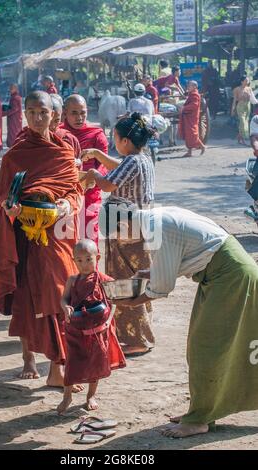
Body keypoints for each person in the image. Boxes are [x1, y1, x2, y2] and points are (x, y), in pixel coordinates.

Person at [113, 204, 258, 438]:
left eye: (116, 235)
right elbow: (182, 258)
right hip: (223, 273)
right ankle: (200, 411)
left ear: (122, 224)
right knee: (200, 345)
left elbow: (162, 287)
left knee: (207, 347)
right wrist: (149, 273)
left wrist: (131, 302)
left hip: (230, 276)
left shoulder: (153, 227)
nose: (120, 241)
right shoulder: (155, 217)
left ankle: (198, 420)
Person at [0, 90, 83, 389]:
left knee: (58, 294)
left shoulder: (64, 152)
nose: (37, 117)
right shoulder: (15, 155)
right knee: (26, 295)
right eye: (31, 112)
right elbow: (3, 196)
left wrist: (67, 205)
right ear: (24, 115)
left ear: (54, 115)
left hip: (57, 234)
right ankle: (29, 358)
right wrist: (11, 211)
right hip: (24, 236)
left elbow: (74, 190)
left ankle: (57, 367)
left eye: (43, 112)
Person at [81, 112, 156, 356]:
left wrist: (92, 175)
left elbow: (107, 184)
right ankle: (140, 334)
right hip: (140, 229)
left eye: (115, 139)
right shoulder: (142, 159)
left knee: (125, 282)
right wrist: (97, 155)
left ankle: (137, 338)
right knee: (139, 280)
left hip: (127, 231)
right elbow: (119, 168)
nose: (114, 143)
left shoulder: (132, 162)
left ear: (125, 141)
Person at [58, 239, 126, 414]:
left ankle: (91, 396)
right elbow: (64, 298)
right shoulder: (72, 280)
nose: (84, 264)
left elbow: (118, 296)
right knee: (72, 364)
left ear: (98, 258)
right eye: (79, 260)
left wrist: (109, 317)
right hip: (75, 330)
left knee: (95, 364)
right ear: (74, 261)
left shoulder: (103, 280)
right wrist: (65, 306)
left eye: (88, 259)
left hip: (98, 332)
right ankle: (67, 397)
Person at [60, 94, 108, 245]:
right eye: (74, 113)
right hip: (64, 191)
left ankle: (91, 268)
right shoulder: (57, 133)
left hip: (89, 192)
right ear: (64, 113)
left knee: (89, 235)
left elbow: (103, 164)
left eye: (83, 113)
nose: (79, 117)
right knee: (65, 236)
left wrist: (94, 177)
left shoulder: (96, 134)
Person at [178, 80, 206, 157]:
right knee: (188, 134)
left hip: (192, 116)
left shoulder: (195, 95)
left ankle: (202, 146)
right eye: (188, 85)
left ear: (195, 87)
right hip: (188, 116)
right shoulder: (191, 94)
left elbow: (194, 105)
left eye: (189, 86)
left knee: (192, 134)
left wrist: (184, 108)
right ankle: (189, 151)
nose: (188, 87)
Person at [232, 75, 258, 145]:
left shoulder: (249, 89)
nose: (247, 81)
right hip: (240, 106)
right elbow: (234, 100)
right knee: (243, 122)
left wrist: (257, 102)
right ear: (242, 81)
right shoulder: (236, 89)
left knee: (244, 122)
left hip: (248, 107)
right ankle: (246, 138)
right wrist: (233, 109)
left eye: (248, 80)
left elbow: (253, 99)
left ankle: (240, 138)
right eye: (246, 80)